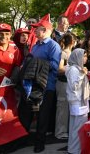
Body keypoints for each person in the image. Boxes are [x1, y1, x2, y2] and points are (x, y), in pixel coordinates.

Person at [19, 19, 61, 153]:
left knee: (43, 116)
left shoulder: (54, 46)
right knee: (27, 113)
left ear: (44, 30)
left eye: (37, 28)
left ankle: (40, 142)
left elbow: (54, 66)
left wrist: (36, 63)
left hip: (46, 86)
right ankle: (24, 140)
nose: (34, 30)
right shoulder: (36, 45)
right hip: (32, 86)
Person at [65, 48, 90, 154]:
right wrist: (82, 74)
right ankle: (75, 150)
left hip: (79, 101)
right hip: (77, 102)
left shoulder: (77, 68)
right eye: (83, 56)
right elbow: (74, 86)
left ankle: (74, 149)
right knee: (78, 127)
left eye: (86, 56)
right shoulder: (73, 70)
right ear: (77, 57)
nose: (85, 58)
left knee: (76, 126)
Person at [55, 33, 76, 140]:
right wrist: (73, 68)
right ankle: (60, 132)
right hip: (63, 83)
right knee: (62, 108)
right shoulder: (63, 53)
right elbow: (59, 69)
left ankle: (65, 130)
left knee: (67, 108)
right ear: (73, 42)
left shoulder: (71, 53)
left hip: (70, 84)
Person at [0, 23, 22, 88]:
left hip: (7, 90)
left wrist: (14, 77)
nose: (4, 36)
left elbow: (17, 65)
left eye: (7, 34)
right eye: (0, 34)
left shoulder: (15, 49)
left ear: (10, 35)